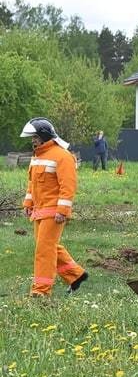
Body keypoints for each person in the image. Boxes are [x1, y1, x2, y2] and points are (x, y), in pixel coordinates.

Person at [19, 117, 88, 297]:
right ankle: (76, 275)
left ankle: (41, 291)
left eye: (35, 136)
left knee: (44, 250)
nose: (32, 140)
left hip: (53, 212)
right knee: (48, 246)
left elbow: (68, 187)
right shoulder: (37, 156)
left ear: (44, 135)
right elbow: (31, 183)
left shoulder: (63, 156)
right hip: (39, 211)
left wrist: (62, 211)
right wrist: (28, 202)